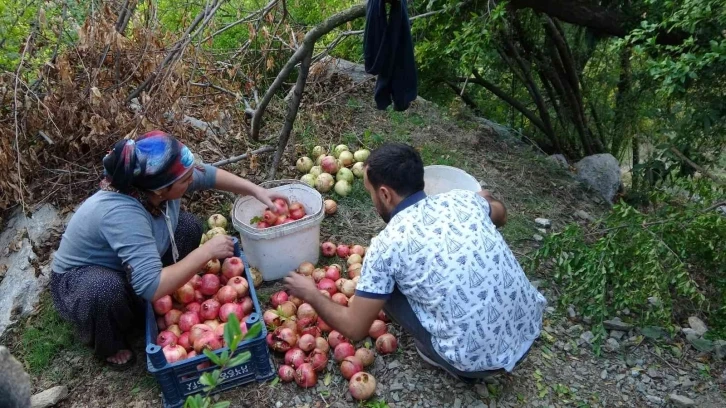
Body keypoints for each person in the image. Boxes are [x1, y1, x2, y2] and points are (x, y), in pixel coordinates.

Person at [285, 142, 547, 382]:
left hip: (476, 363)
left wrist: (311, 293)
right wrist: (485, 199)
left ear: (385, 194)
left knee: (383, 290)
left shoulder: (386, 245)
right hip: (528, 328)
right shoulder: (463, 199)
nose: (373, 199)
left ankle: (443, 358)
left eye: (370, 193)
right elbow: (501, 215)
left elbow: (355, 329)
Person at [51, 131, 283, 369]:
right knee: (104, 290)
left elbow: (209, 175)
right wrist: (205, 253)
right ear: (161, 191)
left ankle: (147, 299)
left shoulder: (157, 180)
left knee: (188, 227)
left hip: (128, 262)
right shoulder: (122, 214)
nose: (192, 180)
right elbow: (150, 286)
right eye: (186, 180)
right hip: (83, 279)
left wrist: (256, 190)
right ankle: (109, 342)